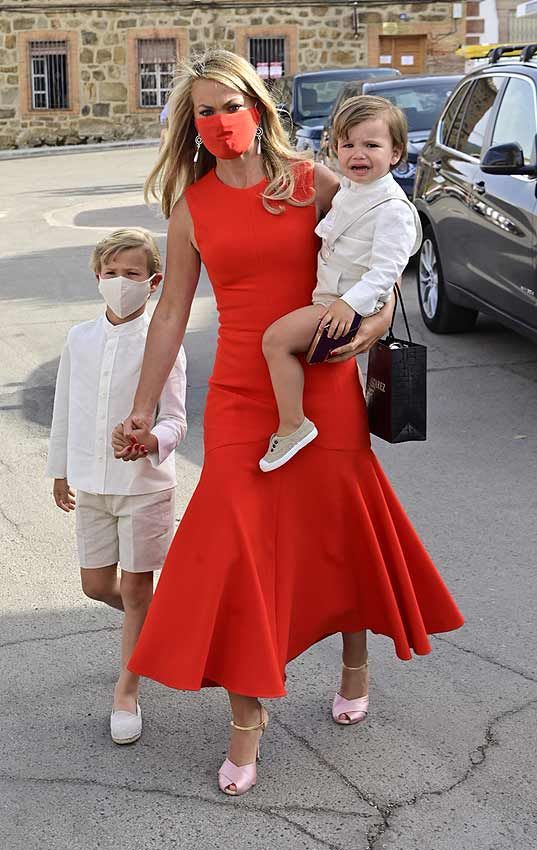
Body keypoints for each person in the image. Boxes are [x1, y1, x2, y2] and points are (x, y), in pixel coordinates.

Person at [115, 49, 463, 798]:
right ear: (192, 125)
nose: (217, 122)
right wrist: (142, 405)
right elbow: (171, 311)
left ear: (255, 106)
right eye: (202, 111)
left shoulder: (314, 180)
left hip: (323, 380)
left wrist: (370, 329)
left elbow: (380, 245)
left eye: (227, 105)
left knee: (335, 525)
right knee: (237, 545)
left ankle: (354, 663)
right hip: (242, 395)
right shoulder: (192, 208)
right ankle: (248, 721)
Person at [46, 228, 187, 745]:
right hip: (90, 481)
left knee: (134, 586)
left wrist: (153, 439)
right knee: (96, 585)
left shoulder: (162, 340)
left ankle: (127, 690)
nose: (120, 283)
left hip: (145, 485)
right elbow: (64, 406)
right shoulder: (79, 338)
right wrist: (59, 470)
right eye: (111, 274)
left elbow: (176, 419)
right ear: (96, 277)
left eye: (132, 275)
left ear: (153, 283)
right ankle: (150, 628)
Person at [259, 94, 422, 471]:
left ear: (396, 153)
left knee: (276, 340)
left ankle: (293, 424)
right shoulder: (350, 190)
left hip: (343, 307)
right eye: (347, 144)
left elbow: (386, 272)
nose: (357, 153)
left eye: (371, 145)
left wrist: (350, 305)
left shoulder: (394, 209)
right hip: (332, 300)